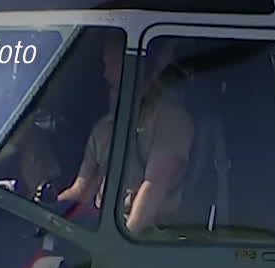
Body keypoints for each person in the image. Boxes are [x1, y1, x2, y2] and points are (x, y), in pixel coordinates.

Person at [57, 38, 193, 234]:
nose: (105, 74)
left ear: (138, 66)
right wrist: (47, 214)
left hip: (147, 240)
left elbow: (154, 186)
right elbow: (82, 190)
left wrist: (119, 244)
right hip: (100, 231)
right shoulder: (104, 128)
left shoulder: (172, 121)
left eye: (112, 64)